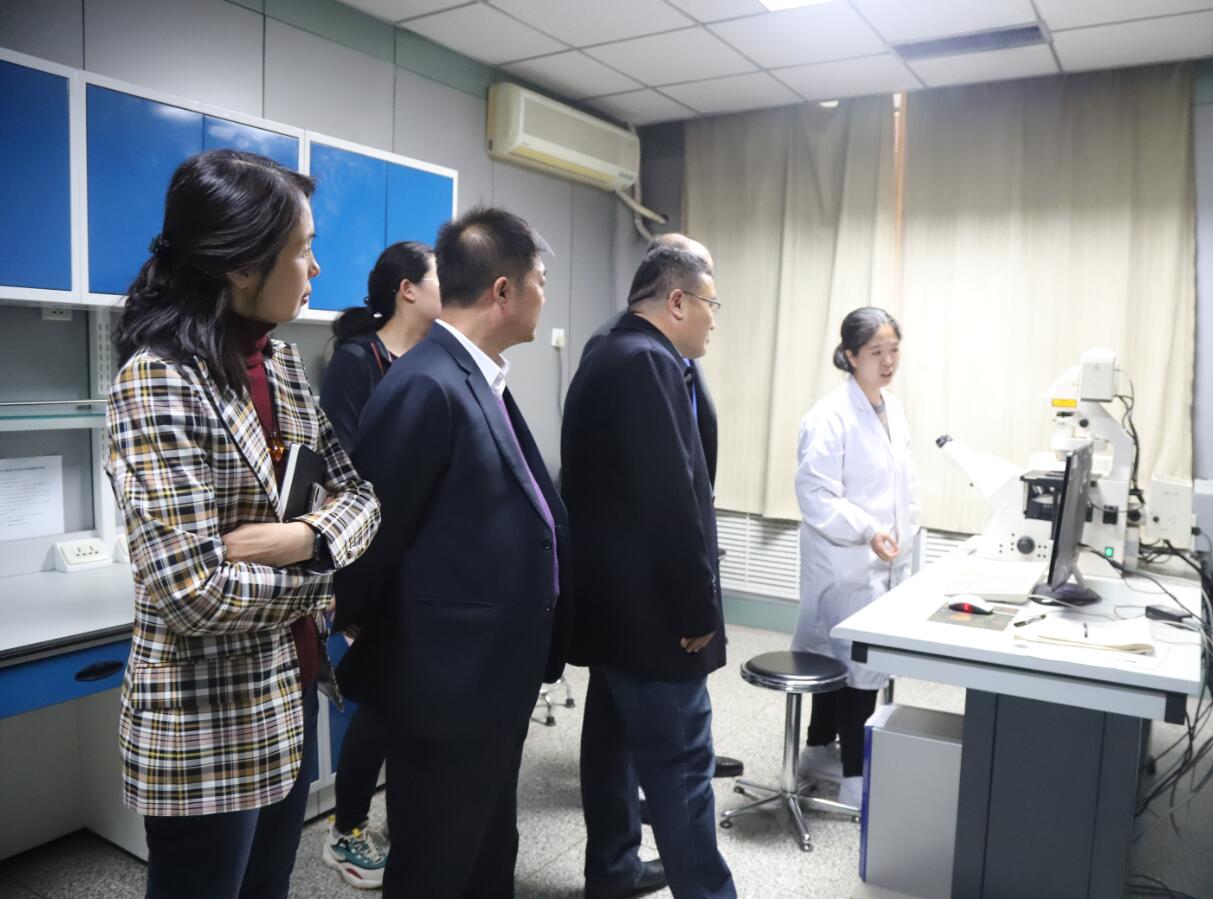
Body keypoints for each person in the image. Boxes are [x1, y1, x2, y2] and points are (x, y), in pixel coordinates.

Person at [105, 148, 381, 899]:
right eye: (303, 249)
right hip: (205, 722)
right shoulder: (158, 379)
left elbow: (361, 497)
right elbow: (192, 592)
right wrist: (323, 582)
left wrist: (305, 539)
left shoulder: (282, 364)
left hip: (289, 692)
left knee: (269, 886)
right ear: (239, 266)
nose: (316, 268)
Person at [334, 206, 571, 898]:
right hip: (444, 686)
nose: (544, 296)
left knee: (486, 854)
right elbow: (374, 537)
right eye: (540, 281)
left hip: (488, 680)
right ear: (503, 291)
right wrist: (372, 632)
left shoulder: (478, 376)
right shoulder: (425, 384)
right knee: (435, 865)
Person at [562, 247, 736, 899]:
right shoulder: (646, 362)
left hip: (614, 604)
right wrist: (697, 607)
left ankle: (612, 868)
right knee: (682, 766)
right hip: (656, 613)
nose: (714, 318)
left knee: (612, 742)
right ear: (677, 302)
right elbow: (671, 498)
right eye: (710, 304)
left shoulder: (611, 349)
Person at [318, 241, 440, 888]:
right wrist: (357, 585)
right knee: (381, 702)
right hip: (371, 558)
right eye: (439, 276)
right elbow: (343, 471)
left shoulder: (429, 359)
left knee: (407, 699)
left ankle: (395, 820)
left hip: (421, 562)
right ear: (406, 289)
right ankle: (345, 831)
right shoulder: (356, 361)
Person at [791, 306, 920, 809]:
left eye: (894, 350)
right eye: (876, 352)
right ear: (850, 356)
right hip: (844, 562)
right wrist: (868, 529)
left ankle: (817, 750)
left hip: (882, 559)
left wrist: (906, 533)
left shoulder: (892, 408)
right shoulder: (829, 417)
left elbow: (903, 483)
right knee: (853, 667)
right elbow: (816, 494)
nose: (888, 362)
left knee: (846, 661)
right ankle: (853, 780)